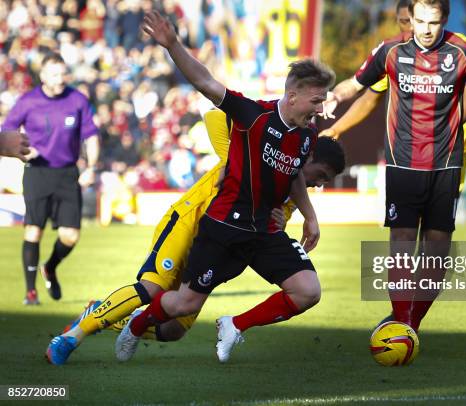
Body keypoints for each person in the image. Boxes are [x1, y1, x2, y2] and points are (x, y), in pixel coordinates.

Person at [112, 10, 336, 363]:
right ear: (293, 95)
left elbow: (293, 174)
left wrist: (310, 216)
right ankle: (139, 323)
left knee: (308, 291)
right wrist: (172, 45)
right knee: (183, 303)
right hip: (224, 227)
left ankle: (234, 325)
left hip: (264, 230)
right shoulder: (253, 115)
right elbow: (206, 82)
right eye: (316, 100)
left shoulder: (307, 134)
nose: (320, 108)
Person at [45, 108, 345, 365]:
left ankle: (106, 314)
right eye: (321, 175)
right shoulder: (258, 149)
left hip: (218, 244)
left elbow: (268, 229)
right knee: (151, 287)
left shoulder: (292, 192)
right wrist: (235, 159)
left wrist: (279, 222)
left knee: (175, 328)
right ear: (308, 157)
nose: (319, 184)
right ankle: (70, 338)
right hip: (189, 221)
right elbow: (215, 115)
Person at [322, 0, 466, 332]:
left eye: (432, 23)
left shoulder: (462, 51)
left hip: (446, 165)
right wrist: (335, 96)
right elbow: (357, 84)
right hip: (403, 163)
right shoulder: (391, 50)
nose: (423, 29)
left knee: (437, 250)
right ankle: (401, 320)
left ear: (445, 20)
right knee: (402, 242)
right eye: (418, 21)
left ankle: (409, 322)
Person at [320, 0, 466, 192]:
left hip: (450, 150)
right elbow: (369, 99)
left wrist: (447, 125)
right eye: (406, 21)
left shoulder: (457, 48)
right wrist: (336, 128)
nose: (414, 28)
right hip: (407, 152)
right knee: (408, 216)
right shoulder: (396, 54)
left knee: (437, 219)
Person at [2, 52, 100, 305]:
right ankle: (30, 292)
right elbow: (7, 132)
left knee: (70, 236)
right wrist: (23, 153)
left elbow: (91, 135)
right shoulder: (28, 101)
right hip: (37, 172)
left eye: (62, 73)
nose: (59, 79)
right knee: (33, 231)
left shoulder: (77, 99)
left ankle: (51, 267)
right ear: (43, 75)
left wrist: (91, 166)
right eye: (53, 74)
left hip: (67, 173)